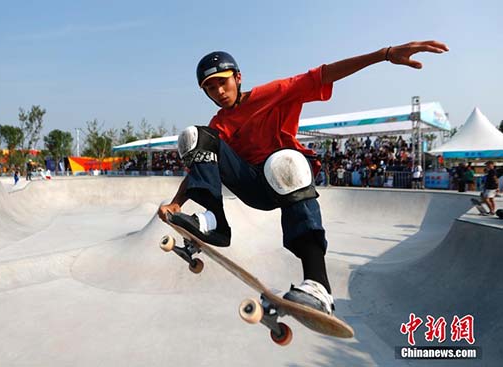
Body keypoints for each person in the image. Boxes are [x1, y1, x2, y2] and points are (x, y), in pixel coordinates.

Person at [157, 40, 449, 316]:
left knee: (286, 160)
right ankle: (216, 223)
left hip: (285, 180)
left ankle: (318, 286)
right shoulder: (218, 124)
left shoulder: (275, 92)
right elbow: (199, 167)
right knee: (194, 136)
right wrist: (176, 204)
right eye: (210, 87)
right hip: (252, 187)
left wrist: (384, 54)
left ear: (238, 77)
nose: (219, 91)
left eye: (223, 81)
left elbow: (325, 74)